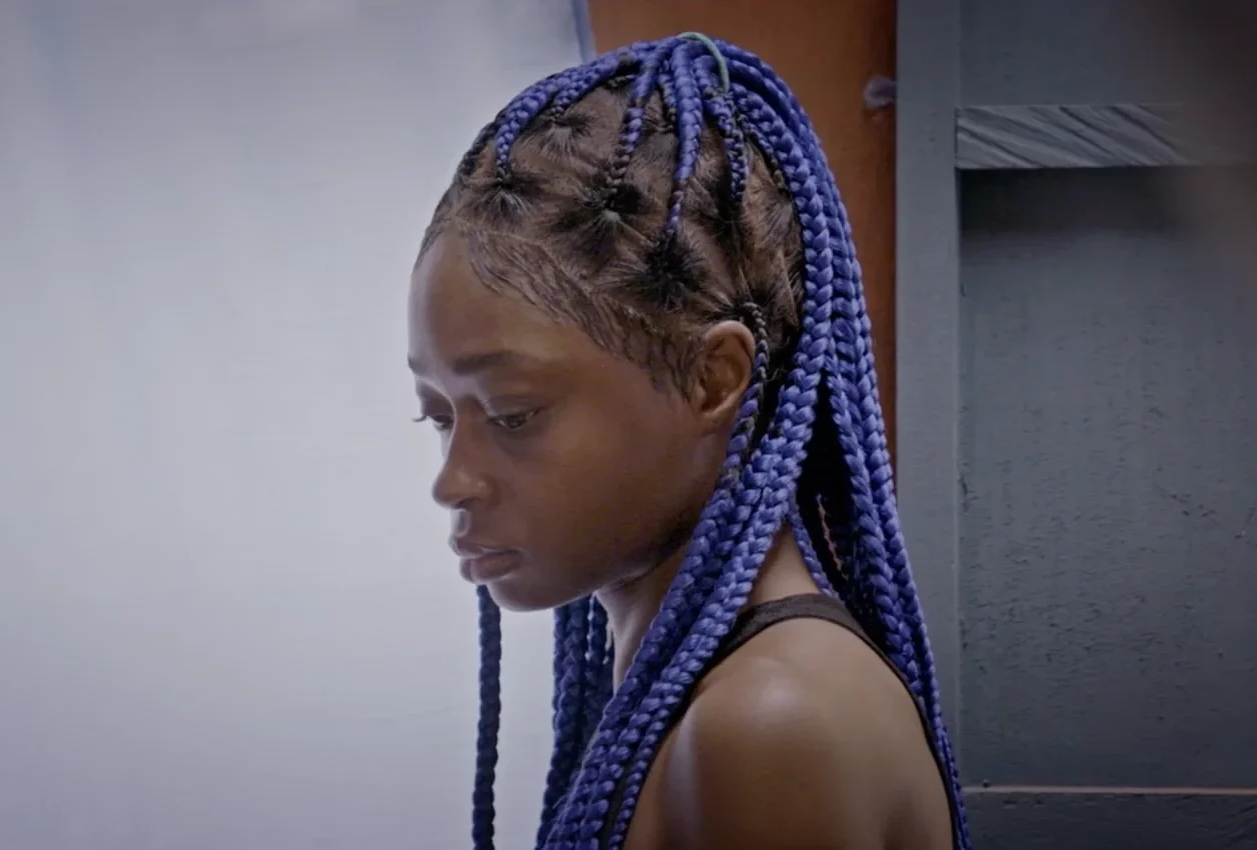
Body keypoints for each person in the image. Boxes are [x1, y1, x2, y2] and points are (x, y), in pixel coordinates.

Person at [406, 34, 968, 850]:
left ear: (711, 379)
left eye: (512, 413)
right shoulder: (688, 691)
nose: (452, 481)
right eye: (436, 415)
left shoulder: (768, 727)